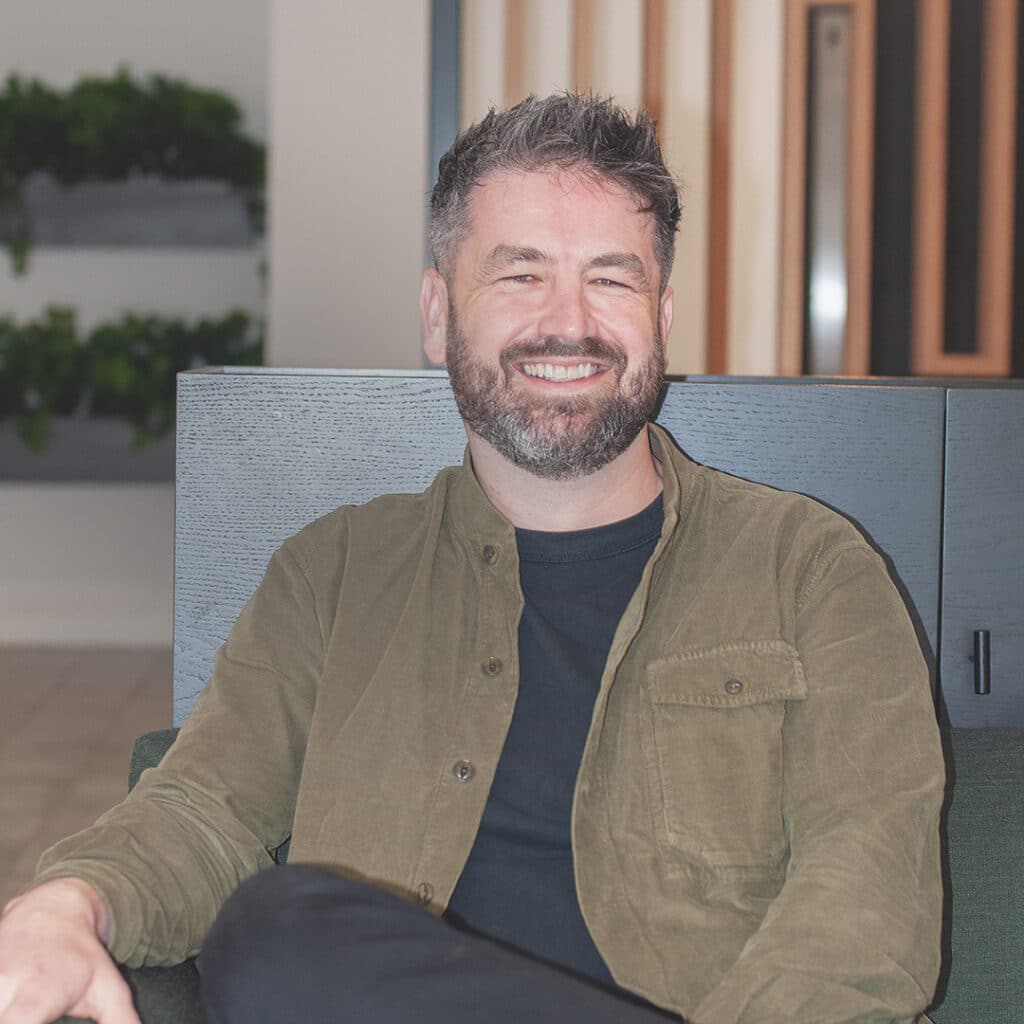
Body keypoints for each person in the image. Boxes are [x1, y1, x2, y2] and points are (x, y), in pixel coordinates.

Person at [0, 94, 944, 1024]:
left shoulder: (812, 570)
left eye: (612, 280)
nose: (569, 322)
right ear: (437, 312)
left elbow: (866, 904)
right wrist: (69, 904)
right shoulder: (335, 573)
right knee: (281, 930)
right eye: (521, 275)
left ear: (660, 320)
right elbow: (205, 810)